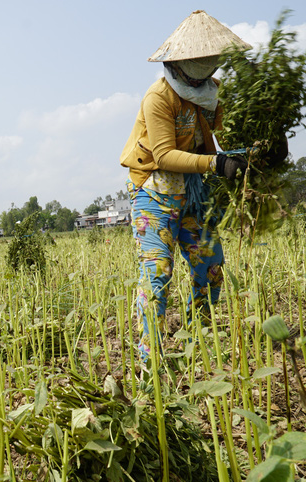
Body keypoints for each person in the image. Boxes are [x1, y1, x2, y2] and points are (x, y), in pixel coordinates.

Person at [119, 11, 251, 361]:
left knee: (211, 267)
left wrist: (253, 150)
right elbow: (162, 154)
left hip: (194, 191)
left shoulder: (212, 94)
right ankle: (150, 359)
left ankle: (196, 341)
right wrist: (214, 163)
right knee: (157, 274)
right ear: (178, 64)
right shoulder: (158, 98)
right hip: (155, 192)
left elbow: (222, 138)